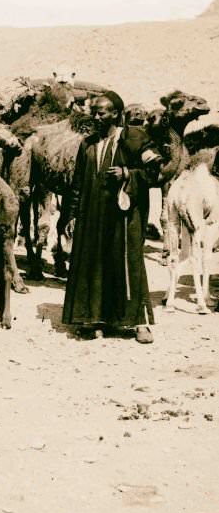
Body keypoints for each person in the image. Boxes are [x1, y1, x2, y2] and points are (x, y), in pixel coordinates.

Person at [62, 91, 162, 343]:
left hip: (123, 217)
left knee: (128, 263)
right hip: (92, 216)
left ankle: (138, 323)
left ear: (116, 114)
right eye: (94, 112)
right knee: (93, 263)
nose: (96, 116)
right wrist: (71, 214)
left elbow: (155, 170)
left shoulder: (133, 136)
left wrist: (128, 173)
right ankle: (95, 320)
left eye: (102, 112)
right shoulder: (88, 144)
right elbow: (76, 184)